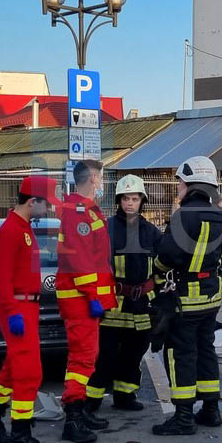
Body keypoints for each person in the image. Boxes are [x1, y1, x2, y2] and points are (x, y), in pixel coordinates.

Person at [0, 175, 59, 443]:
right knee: (29, 372)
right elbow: (1, 281)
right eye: (46, 204)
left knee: (13, 367)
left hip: (26, 307)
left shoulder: (23, 227)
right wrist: (13, 314)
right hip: (18, 308)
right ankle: (20, 436)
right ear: (32, 201)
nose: (48, 209)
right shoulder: (12, 230)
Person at [152, 155, 222, 436]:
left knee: (181, 354)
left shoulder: (183, 216)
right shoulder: (220, 217)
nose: (178, 188)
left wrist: (156, 270)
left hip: (185, 299)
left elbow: (167, 255)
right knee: (205, 350)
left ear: (191, 184)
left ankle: (183, 417)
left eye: (180, 183)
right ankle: (211, 410)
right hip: (212, 298)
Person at [85, 174, 160, 416]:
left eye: (135, 198)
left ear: (142, 201)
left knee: (134, 352)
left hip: (141, 305)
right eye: (125, 198)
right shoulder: (106, 229)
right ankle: (92, 400)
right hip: (112, 304)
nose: (130, 203)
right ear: (119, 200)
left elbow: (163, 265)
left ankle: (125, 395)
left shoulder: (152, 232)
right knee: (104, 354)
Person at [56, 159, 116, 443]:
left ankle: (80, 412)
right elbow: (80, 261)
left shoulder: (86, 210)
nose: (103, 181)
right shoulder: (78, 211)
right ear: (93, 177)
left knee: (87, 357)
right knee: (82, 358)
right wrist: (93, 296)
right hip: (80, 299)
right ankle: (73, 418)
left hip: (85, 298)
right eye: (101, 176)